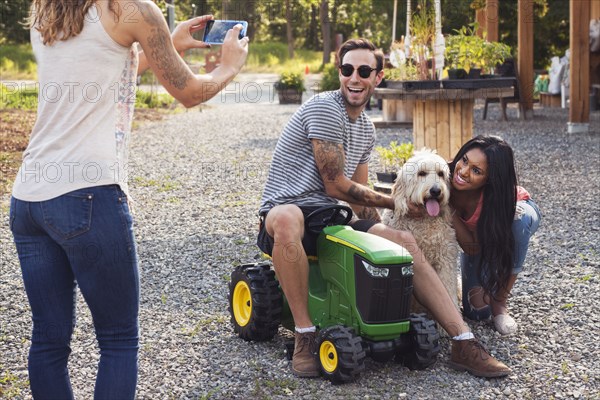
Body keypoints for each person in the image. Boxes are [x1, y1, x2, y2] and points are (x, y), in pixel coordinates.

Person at [9, 1, 248, 398]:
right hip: (88, 196)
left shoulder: (46, 8)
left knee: (49, 341)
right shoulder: (134, 9)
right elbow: (188, 92)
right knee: (118, 339)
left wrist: (166, 44)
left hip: (29, 198)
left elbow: (101, 78)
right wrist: (230, 66)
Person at [257, 38, 511, 379]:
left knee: (404, 240)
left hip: (331, 219)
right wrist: (396, 201)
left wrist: (385, 230)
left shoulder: (365, 127)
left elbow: (357, 199)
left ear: (378, 77)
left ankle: (463, 340)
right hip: (286, 210)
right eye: (347, 70)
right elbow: (336, 185)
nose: (354, 78)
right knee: (288, 217)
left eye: (364, 71)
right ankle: (304, 335)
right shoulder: (324, 108)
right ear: (339, 73)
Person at [449, 136, 541, 335]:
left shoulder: (498, 198)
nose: (463, 172)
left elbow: (470, 246)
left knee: (519, 222)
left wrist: (447, 209)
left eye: (476, 170)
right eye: (464, 160)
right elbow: (471, 247)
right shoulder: (441, 176)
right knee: (477, 313)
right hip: (475, 238)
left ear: (490, 179)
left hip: (510, 217)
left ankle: (500, 302)